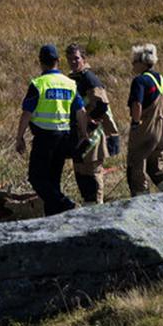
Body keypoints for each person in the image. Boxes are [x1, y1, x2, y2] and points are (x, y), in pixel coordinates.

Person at [14, 44, 90, 216]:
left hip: (44, 137)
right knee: (53, 180)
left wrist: (19, 137)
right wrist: (84, 133)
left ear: (41, 62)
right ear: (58, 61)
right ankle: (54, 217)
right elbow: (81, 111)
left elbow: (27, 113)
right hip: (64, 137)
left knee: (37, 178)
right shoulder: (70, 83)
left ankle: (65, 204)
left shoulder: (38, 84)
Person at [67, 43, 120, 205]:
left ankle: (97, 207)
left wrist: (90, 119)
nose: (73, 62)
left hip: (94, 133)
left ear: (83, 59)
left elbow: (102, 104)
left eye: (76, 58)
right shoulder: (73, 78)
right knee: (81, 171)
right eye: (70, 59)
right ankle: (88, 204)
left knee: (93, 171)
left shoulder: (89, 78)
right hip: (79, 132)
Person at [126, 43, 163, 196]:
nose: (132, 65)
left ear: (142, 62)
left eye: (134, 62)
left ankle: (141, 203)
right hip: (162, 130)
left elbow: (137, 103)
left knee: (137, 165)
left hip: (145, 130)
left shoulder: (140, 81)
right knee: (156, 166)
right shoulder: (162, 79)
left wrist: (136, 123)